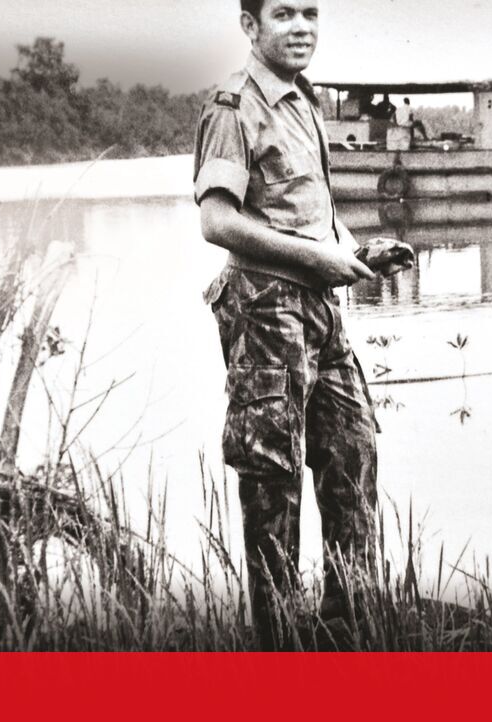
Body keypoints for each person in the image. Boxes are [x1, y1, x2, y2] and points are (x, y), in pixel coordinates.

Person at [194, 0, 403, 651]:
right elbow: (217, 221)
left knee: (353, 452)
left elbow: (310, 212)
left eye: (311, 12)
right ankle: (281, 647)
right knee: (272, 481)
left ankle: (350, 634)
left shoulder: (303, 99)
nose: (302, 27)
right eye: (284, 14)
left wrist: (357, 251)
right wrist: (317, 259)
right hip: (264, 311)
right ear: (250, 26)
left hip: (320, 312)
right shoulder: (232, 106)